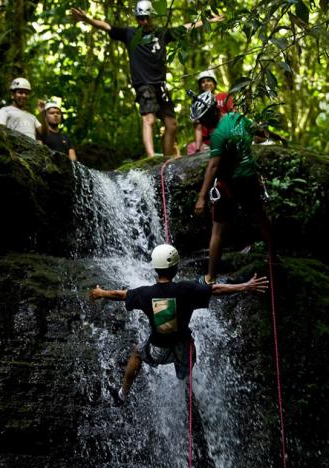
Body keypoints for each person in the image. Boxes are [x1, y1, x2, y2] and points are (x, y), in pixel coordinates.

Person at [89, 243, 268, 405]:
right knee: (189, 348)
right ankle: (186, 385)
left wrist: (101, 292)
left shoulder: (145, 293)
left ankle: (123, 394)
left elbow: (120, 295)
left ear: (155, 269)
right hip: (183, 349)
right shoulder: (187, 288)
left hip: (158, 349)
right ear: (175, 268)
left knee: (138, 353)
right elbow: (216, 289)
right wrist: (246, 286)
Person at [71, 2, 223, 158]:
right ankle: (151, 156)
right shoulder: (130, 34)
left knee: (171, 125)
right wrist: (87, 19)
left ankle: (167, 158)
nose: (143, 21)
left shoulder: (162, 34)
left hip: (161, 86)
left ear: (152, 17)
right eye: (140, 18)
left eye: (146, 18)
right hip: (144, 84)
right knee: (148, 119)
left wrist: (208, 20)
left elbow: (185, 27)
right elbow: (107, 27)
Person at [192, 91, 273, 285]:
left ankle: (210, 277)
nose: (202, 125)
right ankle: (273, 257)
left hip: (230, 184)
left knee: (218, 231)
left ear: (212, 112)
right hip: (250, 179)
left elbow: (213, 166)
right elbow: (260, 131)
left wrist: (202, 197)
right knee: (261, 217)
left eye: (203, 119)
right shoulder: (238, 118)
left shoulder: (218, 135)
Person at [187, 69, 234, 155]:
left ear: (214, 83)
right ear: (200, 86)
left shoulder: (223, 96)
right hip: (207, 141)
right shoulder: (198, 104)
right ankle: (199, 149)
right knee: (191, 147)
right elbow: (198, 126)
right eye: (203, 82)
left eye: (209, 80)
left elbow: (234, 114)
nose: (206, 83)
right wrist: (198, 149)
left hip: (225, 133)